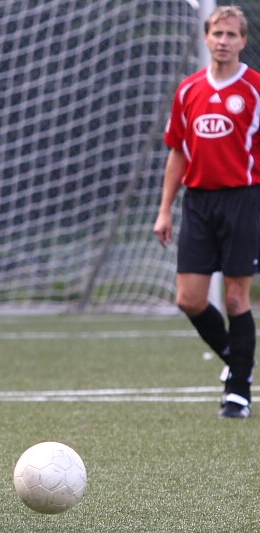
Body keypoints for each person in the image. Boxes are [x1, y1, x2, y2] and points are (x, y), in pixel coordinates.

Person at [153, 5, 260, 419]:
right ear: (206, 37)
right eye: (218, 33)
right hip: (197, 202)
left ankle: (238, 395)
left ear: (243, 41)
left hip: (242, 200)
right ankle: (239, 360)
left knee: (235, 298)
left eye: (232, 35)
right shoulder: (189, 90)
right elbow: (178, 153)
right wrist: (164, 210)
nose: (223, 41)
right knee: (189, 298)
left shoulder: (254, 89)